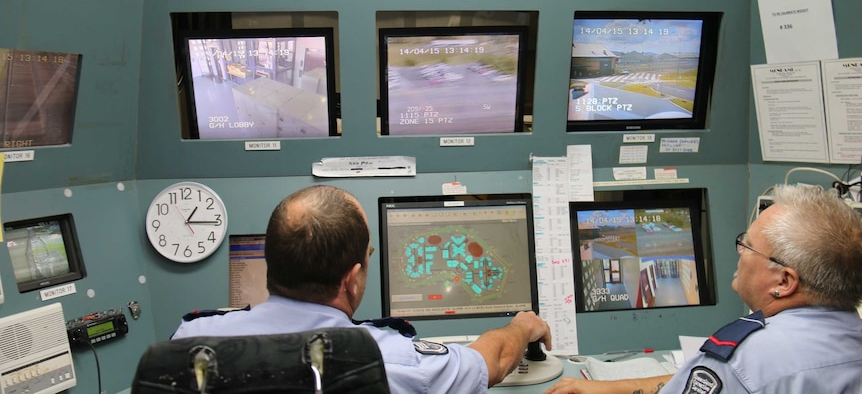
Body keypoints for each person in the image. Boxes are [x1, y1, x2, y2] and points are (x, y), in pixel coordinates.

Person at [172, 184, 552, 393]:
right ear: (351, 281)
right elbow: (494, 363)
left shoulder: (189, 340)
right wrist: (521, 327)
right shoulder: (392, 361)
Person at [544, 184, 862, 394]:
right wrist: (609, 388)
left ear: (784, 282)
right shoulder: (850, 339)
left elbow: (728, 376)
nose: (739, 253)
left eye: (748, 246)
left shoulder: (743, 358)